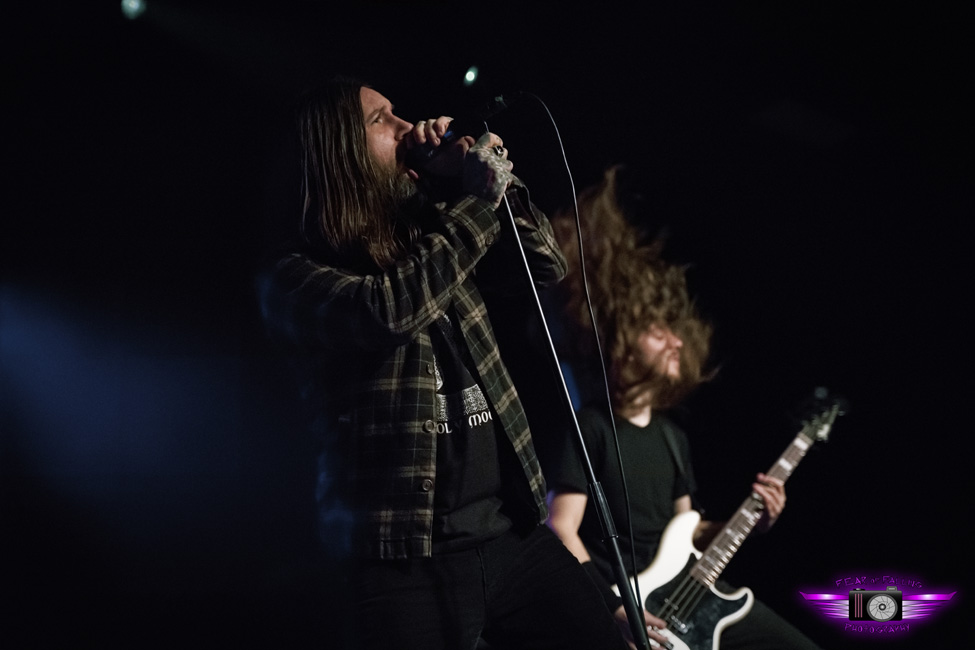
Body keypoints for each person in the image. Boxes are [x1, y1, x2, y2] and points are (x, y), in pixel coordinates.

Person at [259, 77, 628, 650]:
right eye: (382, 120)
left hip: (509, 534)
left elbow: (546, 265)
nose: (408, 128)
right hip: (401, 557)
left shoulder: (430, 227)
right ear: (339, 152)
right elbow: (388, 312)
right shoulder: (292, 277)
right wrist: (473, 204)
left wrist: (481, 183)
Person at [544, 167, 823, 649]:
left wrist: (750, 522)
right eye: (657, 332)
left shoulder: (673, 438)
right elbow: (560, 529)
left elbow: (689, 534)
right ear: (622, 345)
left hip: (693, 597)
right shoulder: (590, 427)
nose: (677, 340)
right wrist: (611, 607)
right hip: (631, 607)